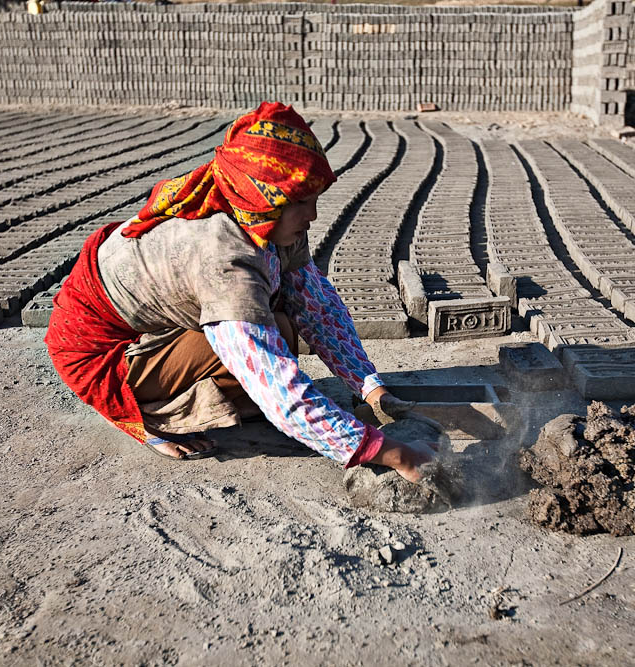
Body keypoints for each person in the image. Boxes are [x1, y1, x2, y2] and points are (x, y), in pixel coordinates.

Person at [45, 102, 437, 484]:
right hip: (101, 355)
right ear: (262, 199)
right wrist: (387, 451)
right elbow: (276, 385)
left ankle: (220, 399)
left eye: (314, 200)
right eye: (301, 203)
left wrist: (369, 387)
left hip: (154, 326)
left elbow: (319, 309)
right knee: (270, 343)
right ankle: (152, 416)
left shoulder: (262, 216)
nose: (313, 216)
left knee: (282, 323)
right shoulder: (224, 260)